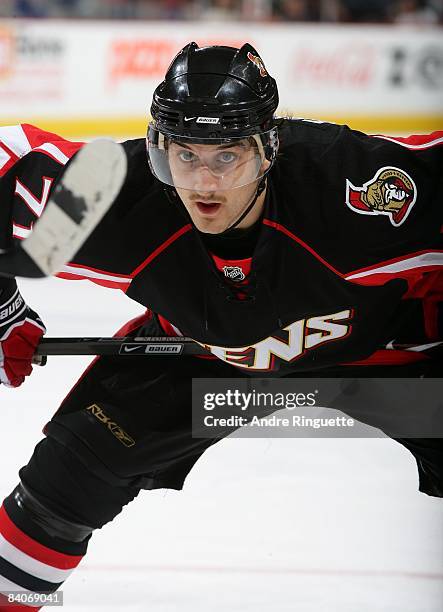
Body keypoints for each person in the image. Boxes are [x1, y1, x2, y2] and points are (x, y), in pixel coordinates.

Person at [0, 42, 441, 608]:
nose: (203, 183)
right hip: (205, 358)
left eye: (226, 156)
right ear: (158, 153)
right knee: (66, 480)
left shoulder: (358, 189)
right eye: (185, 155)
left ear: (267, 151)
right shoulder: (115, 198)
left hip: (388, 360)